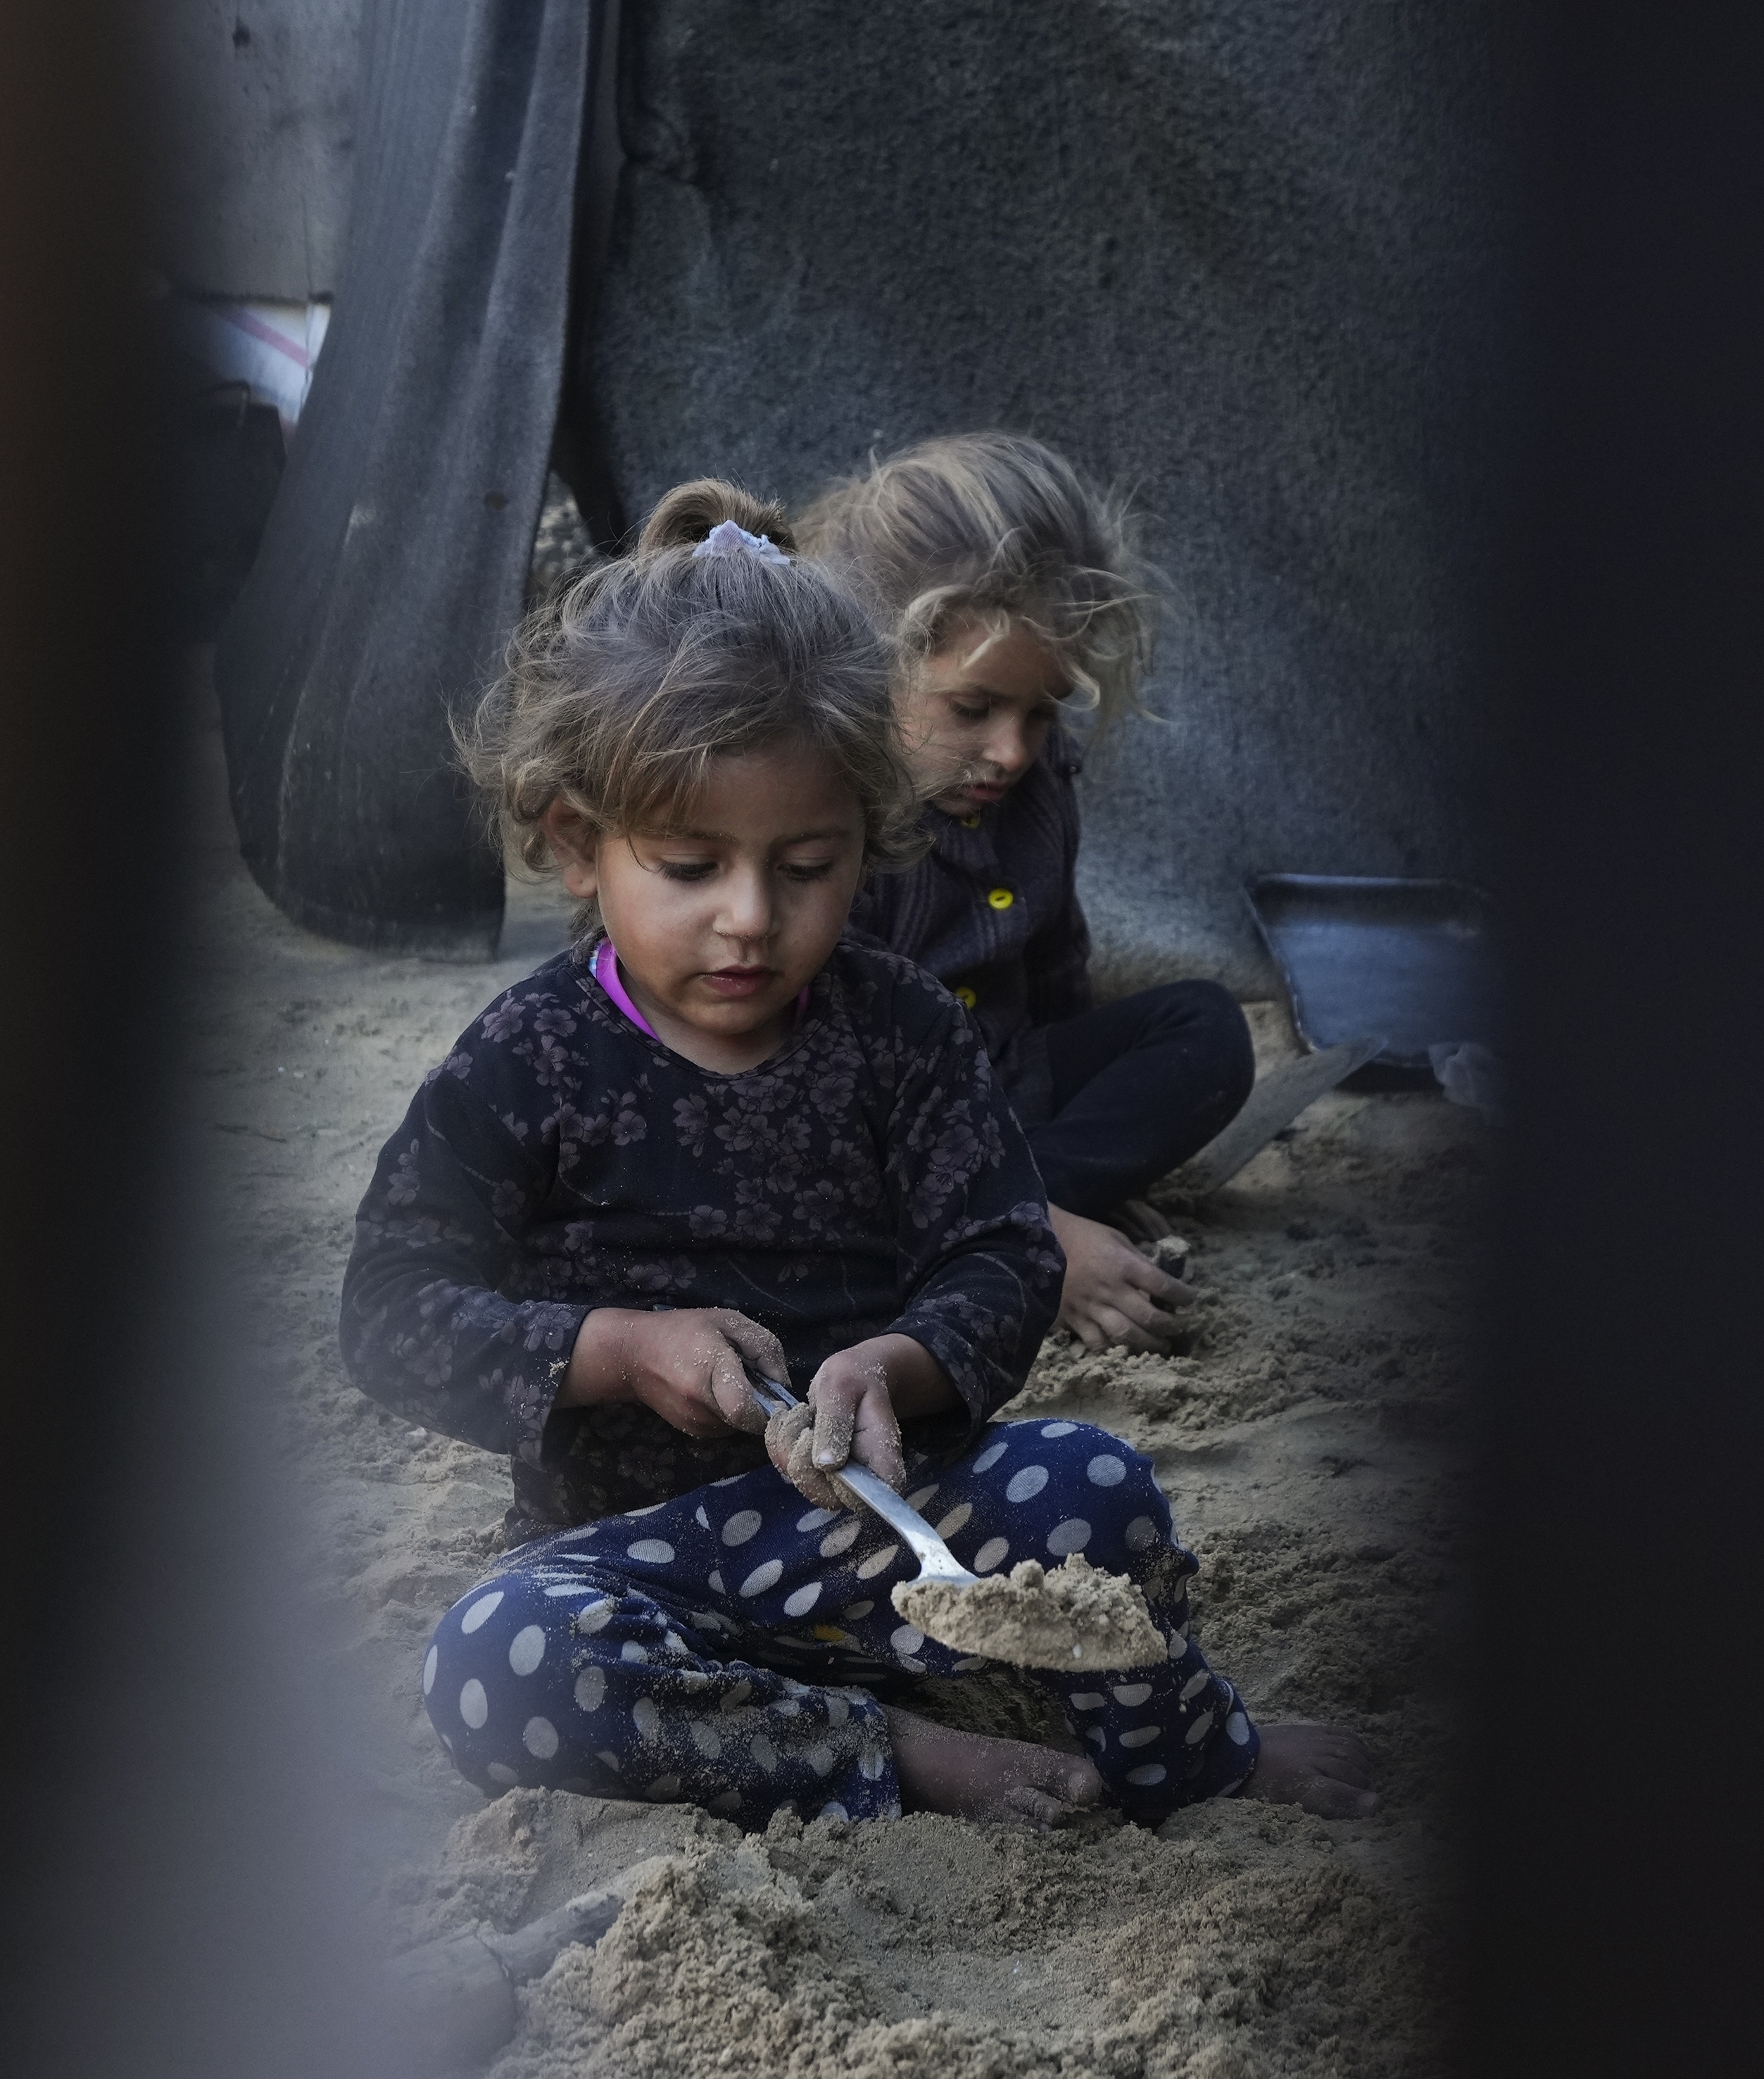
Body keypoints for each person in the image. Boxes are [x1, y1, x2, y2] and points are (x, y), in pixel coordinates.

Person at [341, 484, 1374, 1830]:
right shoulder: (527, 1057)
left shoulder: (900, 1031)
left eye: (808, 866)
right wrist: (617, 1348)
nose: (750, 920)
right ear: (577, 844)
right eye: (692, 865)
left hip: (903, 1541)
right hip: (641, 1567)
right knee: (491, 1662)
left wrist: (895, 1364)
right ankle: (896, 1754)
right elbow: (391, 1312)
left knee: (1095, 1482)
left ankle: (1194, 1747)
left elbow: (1002, 1253)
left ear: (871, 844)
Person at [792, 432, 1258, 1353]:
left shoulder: (1037, 795)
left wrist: (1054, 1154)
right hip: (874, 1139)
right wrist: (1032, 1218)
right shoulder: (825, 833)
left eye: (1040, 713)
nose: (1012, 751)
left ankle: (1026, 1199)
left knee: (1205, 1029)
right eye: (973, 710)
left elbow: (1057, 977)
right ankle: (1013, 1232)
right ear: (870, 670)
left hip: (1013, 1093)